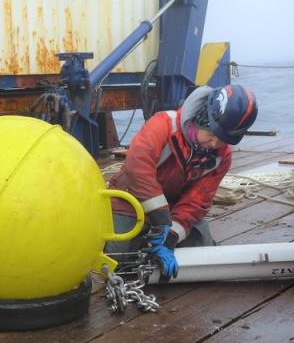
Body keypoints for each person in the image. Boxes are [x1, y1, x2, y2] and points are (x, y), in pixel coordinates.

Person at [106, 84, 258, 280]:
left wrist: (171, 235)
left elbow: (197, 202)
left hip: (173, 208)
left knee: (202, 249)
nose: (215, 144)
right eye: (212, 135)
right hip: (129, 202)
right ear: (202, 118)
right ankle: (144, 241)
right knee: (117, 256)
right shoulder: (162, 125)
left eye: (223, 140)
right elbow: (137, 169)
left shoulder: (222, 157)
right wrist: (161, 219)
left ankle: (154, 242)